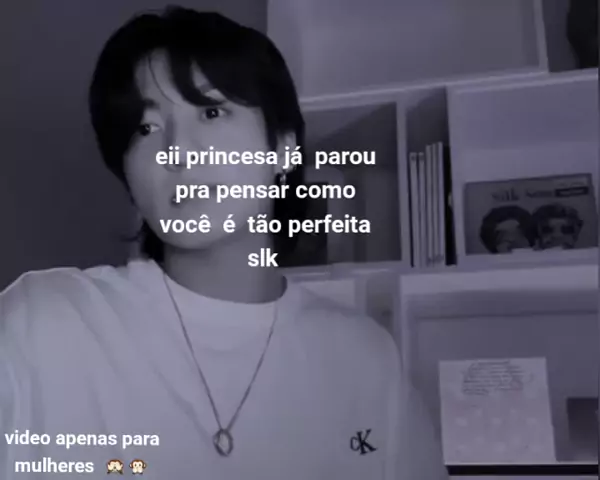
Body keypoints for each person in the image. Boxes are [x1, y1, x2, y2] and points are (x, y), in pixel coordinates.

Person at [0, 7, 447, 479]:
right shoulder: (44, 323)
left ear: (283, 147)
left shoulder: (364, 360)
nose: (177, 150)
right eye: (146, 128)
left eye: (211, 112)